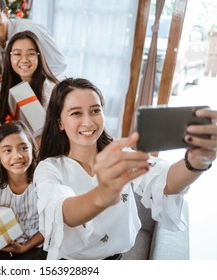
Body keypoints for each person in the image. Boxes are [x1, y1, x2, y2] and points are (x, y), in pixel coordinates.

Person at [34, 78, 217, 260]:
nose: (88, 122)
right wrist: (103, 194)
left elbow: (165, 180)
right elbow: (64, 212)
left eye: (95, 110)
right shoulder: (49, 168)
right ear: (59, 122)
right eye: (76, 113)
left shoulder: (121, 155)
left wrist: (195, 162)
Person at [0, 121, 43, 260]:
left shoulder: (43, 182)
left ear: (32, 149)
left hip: (34, 245)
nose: (17, 156)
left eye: (23, 148)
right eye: (7, 150)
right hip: (0, 247)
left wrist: (25, 247)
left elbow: (52, 224)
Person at [0, 0, 67, 78]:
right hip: (18, 93)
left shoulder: (34, 31)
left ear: (6, 13)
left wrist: (28, 79)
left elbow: (59, 65)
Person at [0, 31, 59, 125]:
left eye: (31, 54)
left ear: (39, 56)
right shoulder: (7, 86)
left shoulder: (49, 89)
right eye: (17, 54)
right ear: (9, 57)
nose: (24, 60)